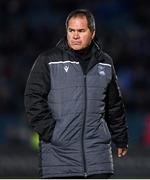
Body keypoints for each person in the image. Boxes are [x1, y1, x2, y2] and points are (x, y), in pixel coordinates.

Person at [24, 9, 128, 179]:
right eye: (71, 30)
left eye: (81, 31)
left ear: (92, 33)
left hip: (98, 158)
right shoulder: (48, 60)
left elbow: (114, 105)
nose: (75, 36)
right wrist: (53, 133)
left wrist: (121, 138)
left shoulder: (106, 63)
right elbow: (32, 99)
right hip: (58, 159)